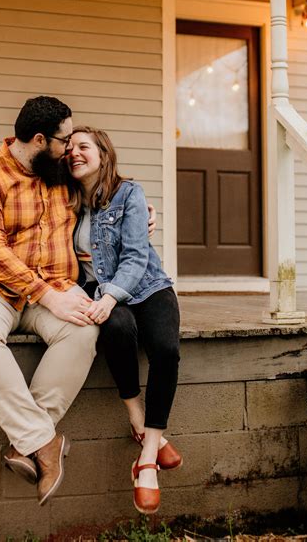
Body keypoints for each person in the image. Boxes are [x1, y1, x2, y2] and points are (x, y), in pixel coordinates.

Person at [0, 96, 99, 507]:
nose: (70, 149)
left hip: (51, 284)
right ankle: (45, 444)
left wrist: (140, 210)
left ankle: (25, 442)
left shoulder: (60, 171)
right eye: (64, 140)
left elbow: (107, 189)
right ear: (39, 139)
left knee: (84, 327)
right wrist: (46, 294)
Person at [67, 126, 182, 515]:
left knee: (165, 350)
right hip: (100, 292)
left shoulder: (129, 193)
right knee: (117, 328)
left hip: (147, 285)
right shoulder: (64, 201)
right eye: (69, 148)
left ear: (103, 153)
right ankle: (137, 415)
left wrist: (111, 294)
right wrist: (98, 297)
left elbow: (135, 258)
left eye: (83, 147)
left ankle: (146, 456)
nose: (74, 153)